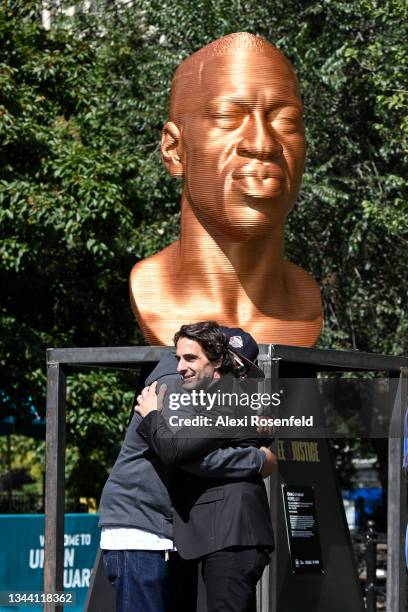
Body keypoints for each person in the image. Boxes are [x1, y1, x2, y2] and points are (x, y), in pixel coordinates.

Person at [130, 32, 322, 347]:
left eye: (286, 122)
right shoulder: (152, 292)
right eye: (227, 118)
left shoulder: (305, 306)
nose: (263, 144)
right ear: (174, 150)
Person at [98, 327, 276, 612]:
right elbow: (181, 453)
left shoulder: (212, 398)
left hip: (168, 531)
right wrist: (257, 460)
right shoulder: (174, 384)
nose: (237, 377)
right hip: (142, 528)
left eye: (242, 372)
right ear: (217, 358)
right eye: (234, 365)